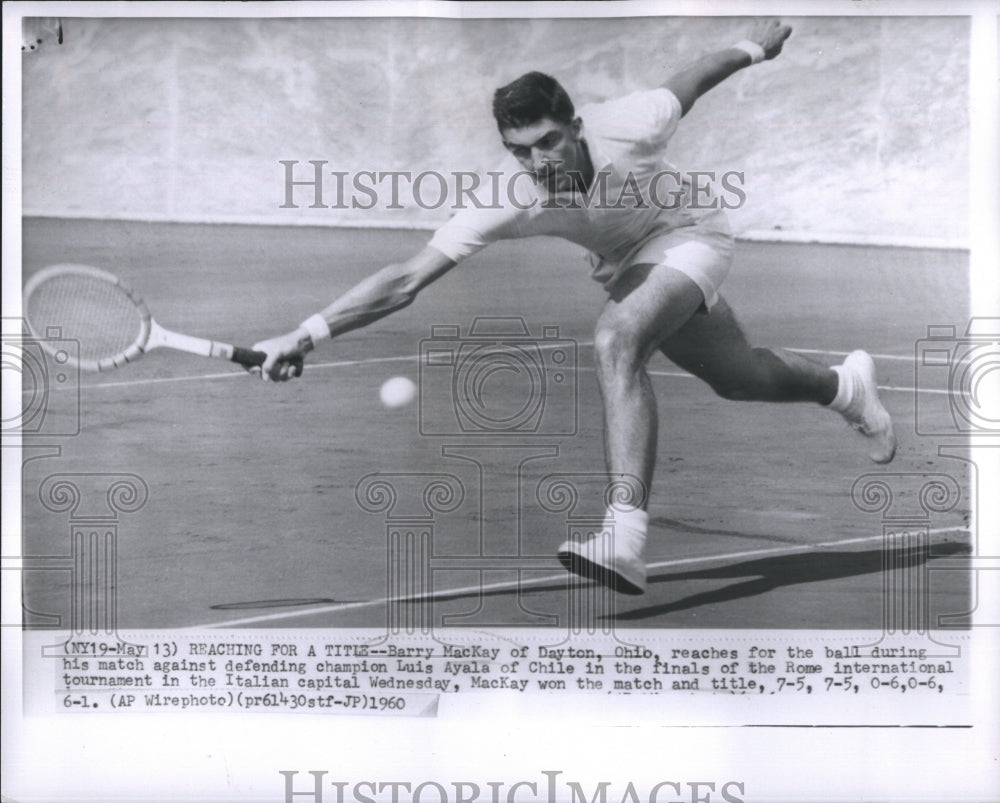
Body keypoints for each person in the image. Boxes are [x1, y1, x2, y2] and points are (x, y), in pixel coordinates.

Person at [250, 19, 896, 595]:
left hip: (692, 233)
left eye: (549, 141)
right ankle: (846, 388)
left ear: (577, 127)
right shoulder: (509, 195)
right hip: (628, 262)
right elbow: (407, 277)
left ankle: (624, 536)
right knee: (739, 376)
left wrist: (755, 46)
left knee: (617, 337)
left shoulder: (633, 121)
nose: (537, 161)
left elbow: (694, 77)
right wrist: (306, 332)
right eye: (520, 150)